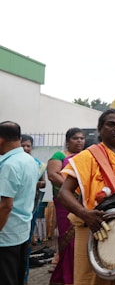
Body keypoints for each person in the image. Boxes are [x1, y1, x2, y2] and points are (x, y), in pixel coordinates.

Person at [57, 109, 115, 285]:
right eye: (110, 124)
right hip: (94, 227)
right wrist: (85, 214)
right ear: (100, 129)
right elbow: (63, 193)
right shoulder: (87, 157)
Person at [0, 121, 39, 285]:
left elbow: (6, 206)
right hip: (22, 230)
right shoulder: (29, 160)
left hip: (6, 235)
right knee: (17, 276)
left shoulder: (9, 165)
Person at [47, 127, 85, 285]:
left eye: (82, 138)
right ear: (68, 140)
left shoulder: (84, 156)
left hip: (81, 202)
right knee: (67, 238)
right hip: (64, 202)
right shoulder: (59, 155)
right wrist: (72, 189)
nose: (79, 141)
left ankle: (77, 274)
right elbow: (52, 174)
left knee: (79, 239)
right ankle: (65, 276)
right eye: (76, 138)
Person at [20, 134, 47, 283]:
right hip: (16, 206)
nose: (25, 148)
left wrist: (32, 184)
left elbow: (43, 183)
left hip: (32, 205)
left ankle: (24, 275)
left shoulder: (39, 164)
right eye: (22, 145)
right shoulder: (13, 162)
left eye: (28, 146)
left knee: (27, 241)